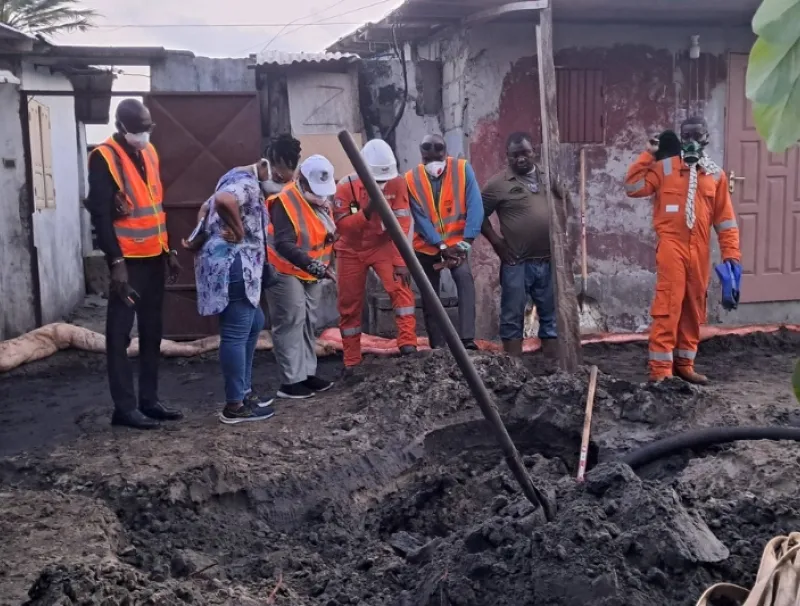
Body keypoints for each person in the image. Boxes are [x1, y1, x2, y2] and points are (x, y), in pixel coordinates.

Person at [85, 98, 182, 430]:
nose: (144, 133)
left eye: (148, 127)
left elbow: (155, 206)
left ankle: (149, 401)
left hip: (154, 257)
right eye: (139, 128)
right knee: (119, 334)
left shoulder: (150, 152)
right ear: (120, 127)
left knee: (152, 331)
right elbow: (100, 215)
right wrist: (116, 262)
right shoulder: (104, 158)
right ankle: (124, 408)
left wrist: (168, 250)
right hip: (127, 263)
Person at [190, 137, 301, 424]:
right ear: (273, 167)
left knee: (254, 322)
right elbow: (222, 201)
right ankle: (235, 405)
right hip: (234, 265)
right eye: (282, 178)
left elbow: (205, 207)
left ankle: (244, 391)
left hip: (232, 263)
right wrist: (238, 230)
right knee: (236, 331)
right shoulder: (248, 184)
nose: (282, 184)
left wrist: (206, 231)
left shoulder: (234, 175)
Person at [625, 116, 741, 384]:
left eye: (697, 136)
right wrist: (648, 154)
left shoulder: (716, 175)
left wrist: (731, 256)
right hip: (671, 247)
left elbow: (725, 221)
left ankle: (684, 364)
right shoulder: (664, 168)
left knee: (693, 306)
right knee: (668, 304)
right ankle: (661, 371)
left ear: (706, 139)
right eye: (685, 136)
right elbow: (633, 187)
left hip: (700, 250)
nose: (691, 141)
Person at [333, 139, 417, 371]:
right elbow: (344, 227)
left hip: (382, 244)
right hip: (350, 248)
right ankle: (352, 361)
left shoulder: (397, 183)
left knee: (401, 291)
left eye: (384, 180)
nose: (382, 185)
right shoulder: (345, 188)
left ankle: (408, 346)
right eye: (377, 180)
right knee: (349, 304)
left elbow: (402, 223)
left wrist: (401, 260)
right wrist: (368, 210)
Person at [481, 132, 567, 358]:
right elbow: (477, 214)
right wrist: (496, 242)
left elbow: (563, 205)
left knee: (551, 315)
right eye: (515, 155)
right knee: (512, 315)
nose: (520, 158)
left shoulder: (548, 178)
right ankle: (513, 366)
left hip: (549, 261)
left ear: (533, 152)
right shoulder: (497, 184)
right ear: (507, 156)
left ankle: (552, 365)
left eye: (525, 153)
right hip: (516, 262)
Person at [266, 154, 337, 399]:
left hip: (310, 270)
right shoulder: (284, 201)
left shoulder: (322, 201)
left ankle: (306, 373)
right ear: (302, 180)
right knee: (290, 319)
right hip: (284, 268)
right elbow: (283, 243)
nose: (320, 195)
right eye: (314, 189)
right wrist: (314, 266)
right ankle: (290, 381)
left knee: (307, 321)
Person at [406, 134, 484, 350]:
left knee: (464, 281)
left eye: (438, 154)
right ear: (421, 155)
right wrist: (440, 245)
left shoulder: (463, 170)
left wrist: (465, 244)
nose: (433, 161)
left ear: (446, 151)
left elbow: (476, 208)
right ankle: (437, 346)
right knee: (430, 295)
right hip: (427, 246)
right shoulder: (411, 179)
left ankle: (467, 340)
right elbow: (420, 219)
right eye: (427, 157)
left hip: (458, 245)